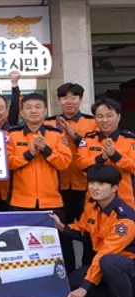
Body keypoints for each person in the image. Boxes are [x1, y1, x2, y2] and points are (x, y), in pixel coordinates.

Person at [51, 164, 135, 297]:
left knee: (108, 262)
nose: (94, 188)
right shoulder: (93, 207)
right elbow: (83, 229)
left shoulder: (124, 218)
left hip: (127, 266)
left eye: (101, 184)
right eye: (91, 183)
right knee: (70, 284)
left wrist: (84, 288)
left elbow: (105, 253)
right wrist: (62, 227)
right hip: (105, 264)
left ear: (114, 188)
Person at [46, 82, 99, 265]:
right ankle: (67, 271)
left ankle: (88, 270)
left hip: (85, 186)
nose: (69, 101)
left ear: (80, 99)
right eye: (64, 97)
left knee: (89, 230)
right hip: (58, 187)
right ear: (59, 100)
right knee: (62, 232)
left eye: (73, 97)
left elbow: (95, 148)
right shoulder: (48, 123)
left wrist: (73, 134)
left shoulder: (92, 122)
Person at [7, 93, 72, 213]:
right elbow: (7, 164)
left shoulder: (56, 134)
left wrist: (46, 150)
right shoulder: (12, 135)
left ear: (45, 111)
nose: (33, 111)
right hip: (20, 201)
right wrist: (29, 154)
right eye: (28, 107)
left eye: (38, 107)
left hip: (52, 201)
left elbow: (64, 163)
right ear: (22, 112)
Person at [77, 98, 135, 207]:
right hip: (94, 200)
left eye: (109, 116)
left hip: (123, 198)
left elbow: (133, 166)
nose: (104, 120)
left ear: (118, 117)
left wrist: (115, 156)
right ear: (95, 118)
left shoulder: (130, 140)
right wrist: (101, 158)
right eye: (100, 116)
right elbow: (81, 164)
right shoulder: (88, 139)